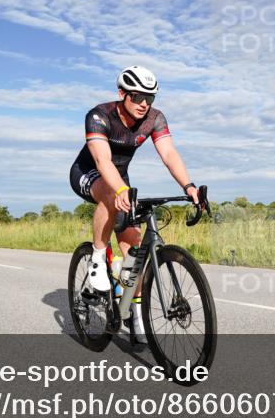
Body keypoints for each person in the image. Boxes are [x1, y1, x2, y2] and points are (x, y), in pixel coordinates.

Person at [69, 66, 200, 312]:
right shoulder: (99, 115)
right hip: (88, 172)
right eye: (137, 96)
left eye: (149, 98)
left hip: (120, 177)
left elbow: (169, 153)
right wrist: (119, 190)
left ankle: (133, 310)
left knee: (134, 248)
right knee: (110, 196)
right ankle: (97, 258)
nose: (144, 104)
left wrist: (188, 185)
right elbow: (102, 161)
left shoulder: (155, 118)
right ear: (122, 93)